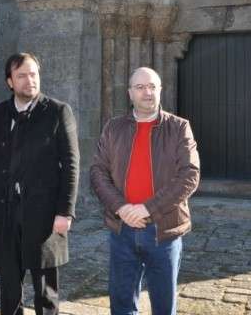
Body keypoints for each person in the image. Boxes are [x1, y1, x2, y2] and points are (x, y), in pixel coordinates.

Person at [90, 67, 200, 315]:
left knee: (163, 306)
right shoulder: (113, 128)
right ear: (130, 93)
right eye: (140, 87)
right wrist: (121, 207)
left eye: (152, 86)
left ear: (160, 90)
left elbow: (190, 175)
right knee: (122, 305)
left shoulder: (179, 127)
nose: (147, 92)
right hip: (122, 230)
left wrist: (148, 208)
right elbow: (97, 172)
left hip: (163, 231)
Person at [0, 53, 80, 315]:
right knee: (9, 287)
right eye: (21, 75)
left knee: (45, 291)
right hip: (5, 213)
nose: (29, 80)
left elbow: (71, 165)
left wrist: (64, 211)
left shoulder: (57, 112)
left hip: (43, 214)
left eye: (33, 74)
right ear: (10, 81)